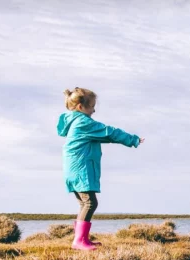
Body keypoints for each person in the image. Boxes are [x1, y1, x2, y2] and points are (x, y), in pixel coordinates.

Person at [57, 87, 145, 250]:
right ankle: (79, 240)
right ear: (80, 107)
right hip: (80, 168)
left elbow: (105, 137)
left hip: (73, 169)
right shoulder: (83, 122)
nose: (94, 109)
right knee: (90, 203)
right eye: (91, 106)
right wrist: (132, 139)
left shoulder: (74, 122)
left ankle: (82, 239)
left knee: (84, 203)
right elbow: (108, 132)